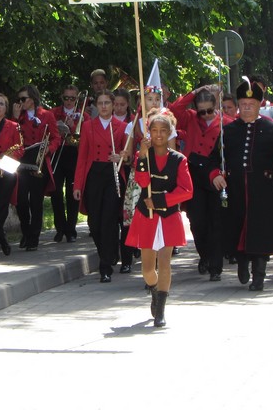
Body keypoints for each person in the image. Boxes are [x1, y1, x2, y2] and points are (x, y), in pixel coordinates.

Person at [211, 78, 273, 292]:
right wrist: (215, 174)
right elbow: (214, 158)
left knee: (262, 232)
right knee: (238, 228)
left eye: (252, 105)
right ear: (239, 106)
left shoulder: (271, 128)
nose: (247, 108)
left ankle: (259, 276)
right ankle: (242, 261)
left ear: (259, 106)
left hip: (264, 190)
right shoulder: (228, 130)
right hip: (237, 189)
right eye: (244, 104)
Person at [125, 109, 193, 327]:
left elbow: (187, 190)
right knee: (147, 269)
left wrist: (162, 200)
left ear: (170, 132)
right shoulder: (142, 155)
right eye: (154, 130)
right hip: (147, 216)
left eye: (163, 131)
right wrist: (143, 156)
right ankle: (154, 289)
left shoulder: (179, 160)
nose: (159, 135)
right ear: (149, 133)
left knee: (164, 261)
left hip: (168, 216)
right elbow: (144, 183)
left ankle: (161, 309)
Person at [169, 86, 233, 280]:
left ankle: (215, 266)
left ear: (216, 107)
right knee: (197, 221)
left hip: (216, 174)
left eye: (209, 111)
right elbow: (174, 110)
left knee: (216, 220)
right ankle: (204, 255)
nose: (205, 115)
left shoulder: (226, 123)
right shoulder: (190, 118)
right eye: (201, 111)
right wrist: (195, 92)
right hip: (194, 173)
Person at [73, 91, 128, 282]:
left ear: (113, 105)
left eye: (107, 103)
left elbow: (127, 153)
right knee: (94, 223)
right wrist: (77, 185)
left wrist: (121, 156)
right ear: (96, 105)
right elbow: (81, 157)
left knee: (109, 221)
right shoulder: (88, 126)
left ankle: (105, 265)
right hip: (93, 175)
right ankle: (107, 252)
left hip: (112, 175)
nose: (104, 106)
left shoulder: (121, 126)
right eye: (100, 103)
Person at [13, 85, 61, 250]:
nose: (20, 102)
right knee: (20, 200)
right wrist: (15, 117)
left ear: (32, 99)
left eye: (23, 99)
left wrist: (48, 149)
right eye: (18, 99)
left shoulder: (47, 115)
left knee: (36, 201)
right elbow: (11, 136)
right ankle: (26, 232)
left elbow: (56, 137)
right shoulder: (18, 117)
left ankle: (33, 238)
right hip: (22, 159)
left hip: (39, 160)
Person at [0, 93, 24, 260]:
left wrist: (6, 157)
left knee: (1, 207)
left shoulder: (14, 126)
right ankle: (1, 236)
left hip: (7, 170)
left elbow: (20, 148)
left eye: (1, 104)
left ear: (6, 108)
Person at [50, 85, 88, 243]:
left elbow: (86, 138)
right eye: (66, 98)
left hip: (74, 155)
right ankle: (60, 228)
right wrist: (58, 128)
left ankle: (71, 229)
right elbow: (48, 132)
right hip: (58, 153)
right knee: (56, 191)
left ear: (77, 99)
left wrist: (72, 126)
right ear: (62, 97)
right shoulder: (53, 113)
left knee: (73, 193)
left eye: (72, 98)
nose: (69, 101)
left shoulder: (83, 115)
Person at [113, 87, 138, 273]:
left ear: (128, 104)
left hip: (130, 172)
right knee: (115, 216)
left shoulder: (134, 122)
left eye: (122, 104)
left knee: (127, 218)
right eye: (116, 104)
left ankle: (127, 258)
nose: (118, 108)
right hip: (112, 173)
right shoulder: (108, 121)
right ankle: (118, 253)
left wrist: (125, 157)